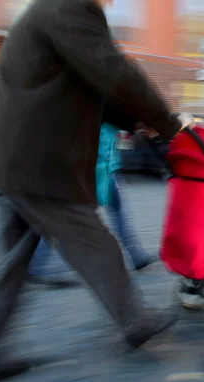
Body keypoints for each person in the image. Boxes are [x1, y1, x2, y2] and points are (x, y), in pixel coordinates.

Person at [0, 0, 194, 381]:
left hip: (14, 161)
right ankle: (136, 321)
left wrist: (141, 122)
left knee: (13, 264)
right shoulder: (69, 5)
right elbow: (116, 73)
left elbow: (93, 89)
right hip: (39, 164)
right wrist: (168, 121)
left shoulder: (53, 6)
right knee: (95, 244)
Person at [28, 123, 157, 287]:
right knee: (114, 214)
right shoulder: (102, 111)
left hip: (90, 170)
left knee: (64, 216)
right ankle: (134, 255)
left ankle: (38, 264)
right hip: (102, 170)